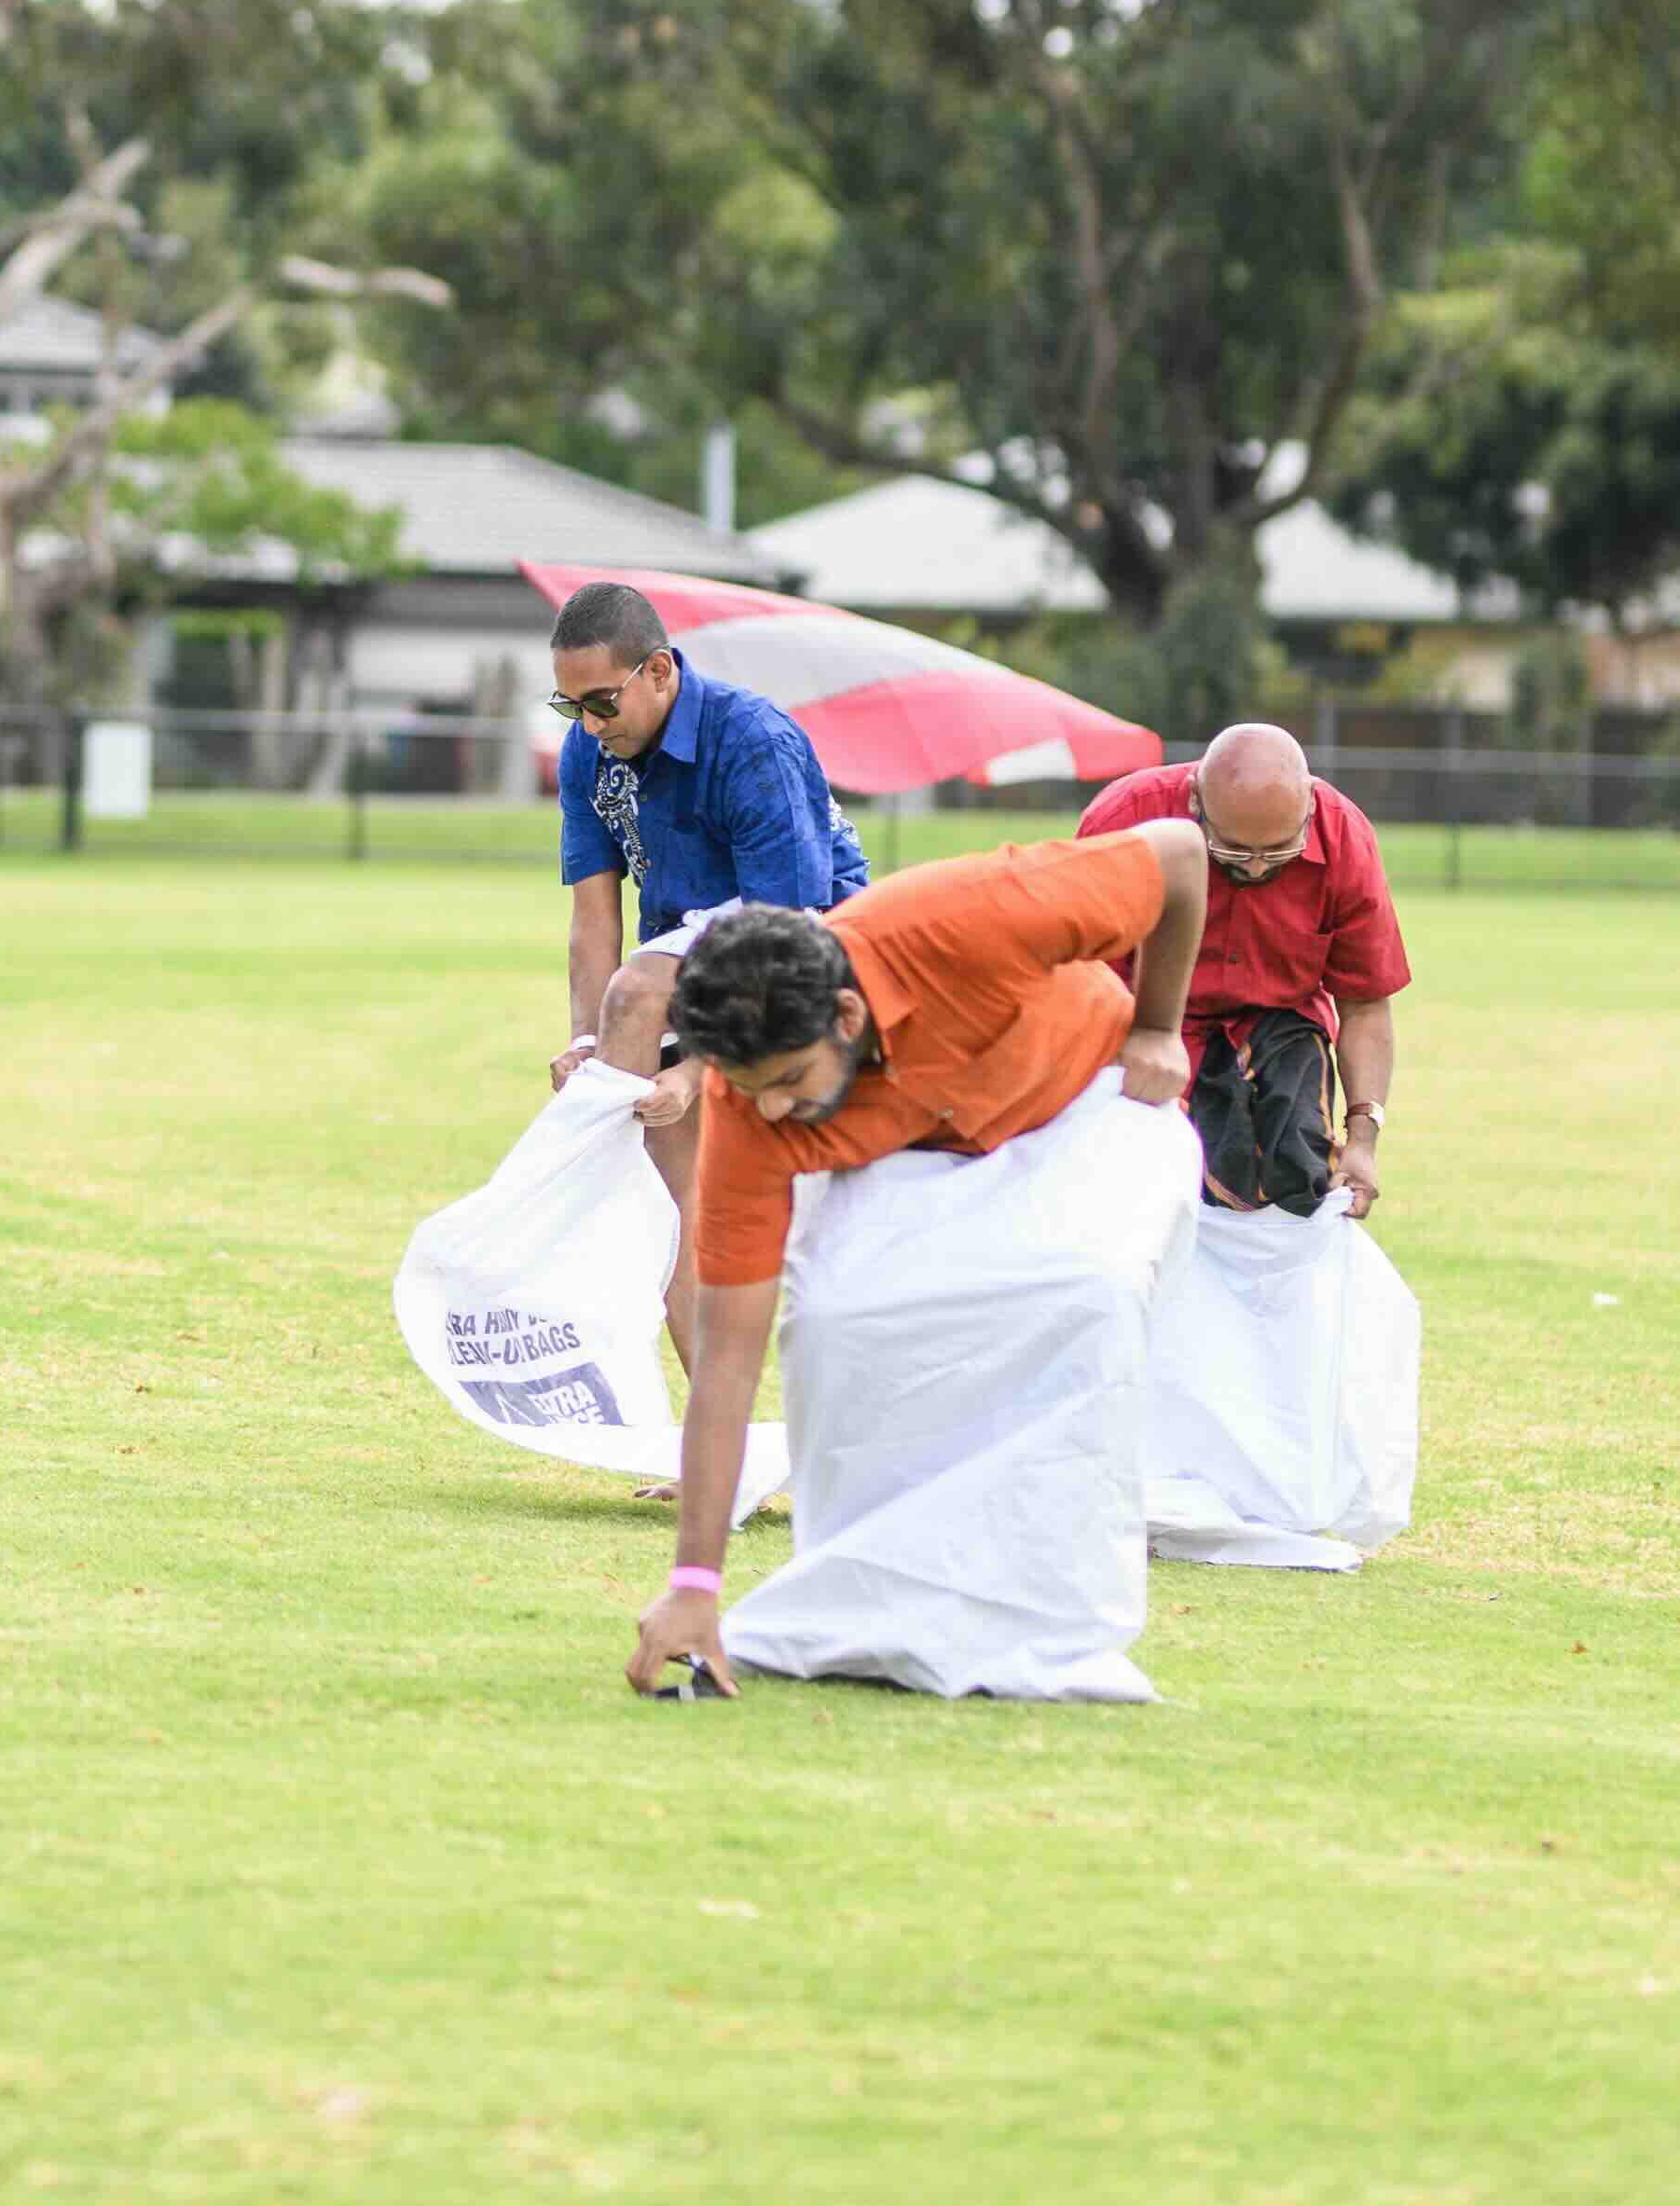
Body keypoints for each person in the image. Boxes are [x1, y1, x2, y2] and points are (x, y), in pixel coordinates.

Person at [623, 818, 1209, 1696]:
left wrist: (1160, 1025)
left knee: (1090, 1293)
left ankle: (1053, 1619)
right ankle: (867, 1607)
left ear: (847, 1014)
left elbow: (1180, 855)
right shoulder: (750, 1105)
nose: (771, 1113)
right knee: (826, 1323)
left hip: (1088, 1098)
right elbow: (729, 1361)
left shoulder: (969, 915)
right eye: (749, 1093)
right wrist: (693, 1584)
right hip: (919, 1155)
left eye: (789, 1080)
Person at [546, 580, 872, 1385]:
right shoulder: (591, 750)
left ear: (659, 670)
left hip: (811, 944)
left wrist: (695, 1068)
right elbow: (595, 917)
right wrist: (588, 1047)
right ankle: (710, 1435)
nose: (588, 724)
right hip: (686, 948)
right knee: (659, 1187)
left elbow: (789, 930)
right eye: (569, 705)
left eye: (601, 701)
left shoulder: (752, 738)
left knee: (826, 1203)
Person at [1075, 723, 1407, 1223]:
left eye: (1279, 853)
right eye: (1231, 852)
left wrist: (1363, 1142)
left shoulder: (1344, 835)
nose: (1255, 870)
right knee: (1156, 1190)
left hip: (1282, 1026)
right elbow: (1083, 985)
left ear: (1310, 809)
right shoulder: (1125, 820)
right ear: (1194, 804)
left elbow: (1364, 1002)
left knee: (1298, 1178)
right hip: (1149, 1026)